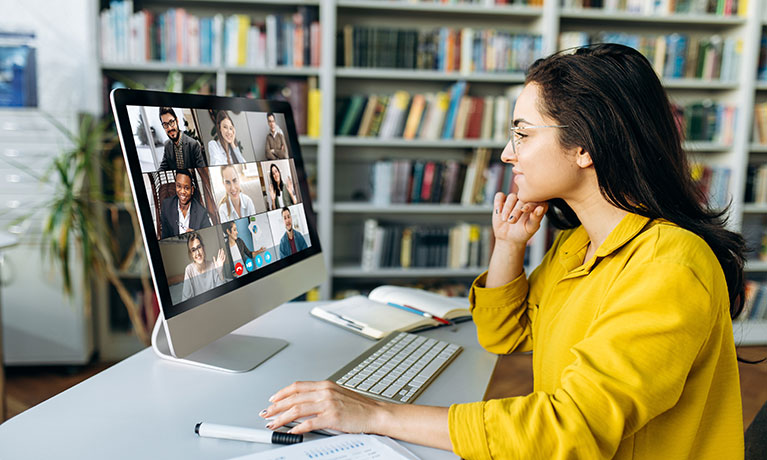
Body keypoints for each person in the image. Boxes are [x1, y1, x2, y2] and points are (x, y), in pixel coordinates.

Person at [260, 44, 747, 459]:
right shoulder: (581, 242)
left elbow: (568, 429)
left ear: (585, 147)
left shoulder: (668, 265)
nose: (506, 153)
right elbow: (503, 335)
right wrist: (510, 246)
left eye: (523, 133)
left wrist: (378, 413)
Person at [159, 169, 213, 239]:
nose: (182, 192)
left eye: (186, 188)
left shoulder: (201, 213)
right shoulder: (167, 206)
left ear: (192, 190)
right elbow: (165, 238)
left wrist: (197, 236)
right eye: (179, 186)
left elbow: (209, 236)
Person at [180, 231, 226, 301]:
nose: (197, 253)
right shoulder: (189, 270)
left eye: (199, 247)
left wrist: (220, 271)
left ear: (203, 248)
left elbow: (223, 293)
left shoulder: (212, 265)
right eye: (193, 250)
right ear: (190, 254)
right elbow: (185, 300)